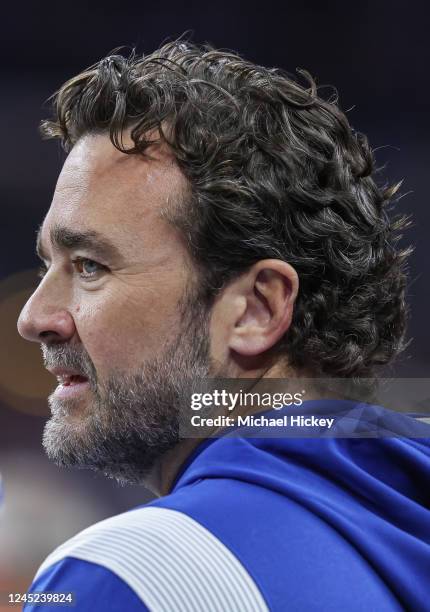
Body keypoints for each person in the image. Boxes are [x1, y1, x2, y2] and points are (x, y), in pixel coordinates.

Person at [17, 40, 430, 611]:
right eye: (48, 266)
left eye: (90, 266)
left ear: (257, 309)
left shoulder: (128, 578)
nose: (34, 318)